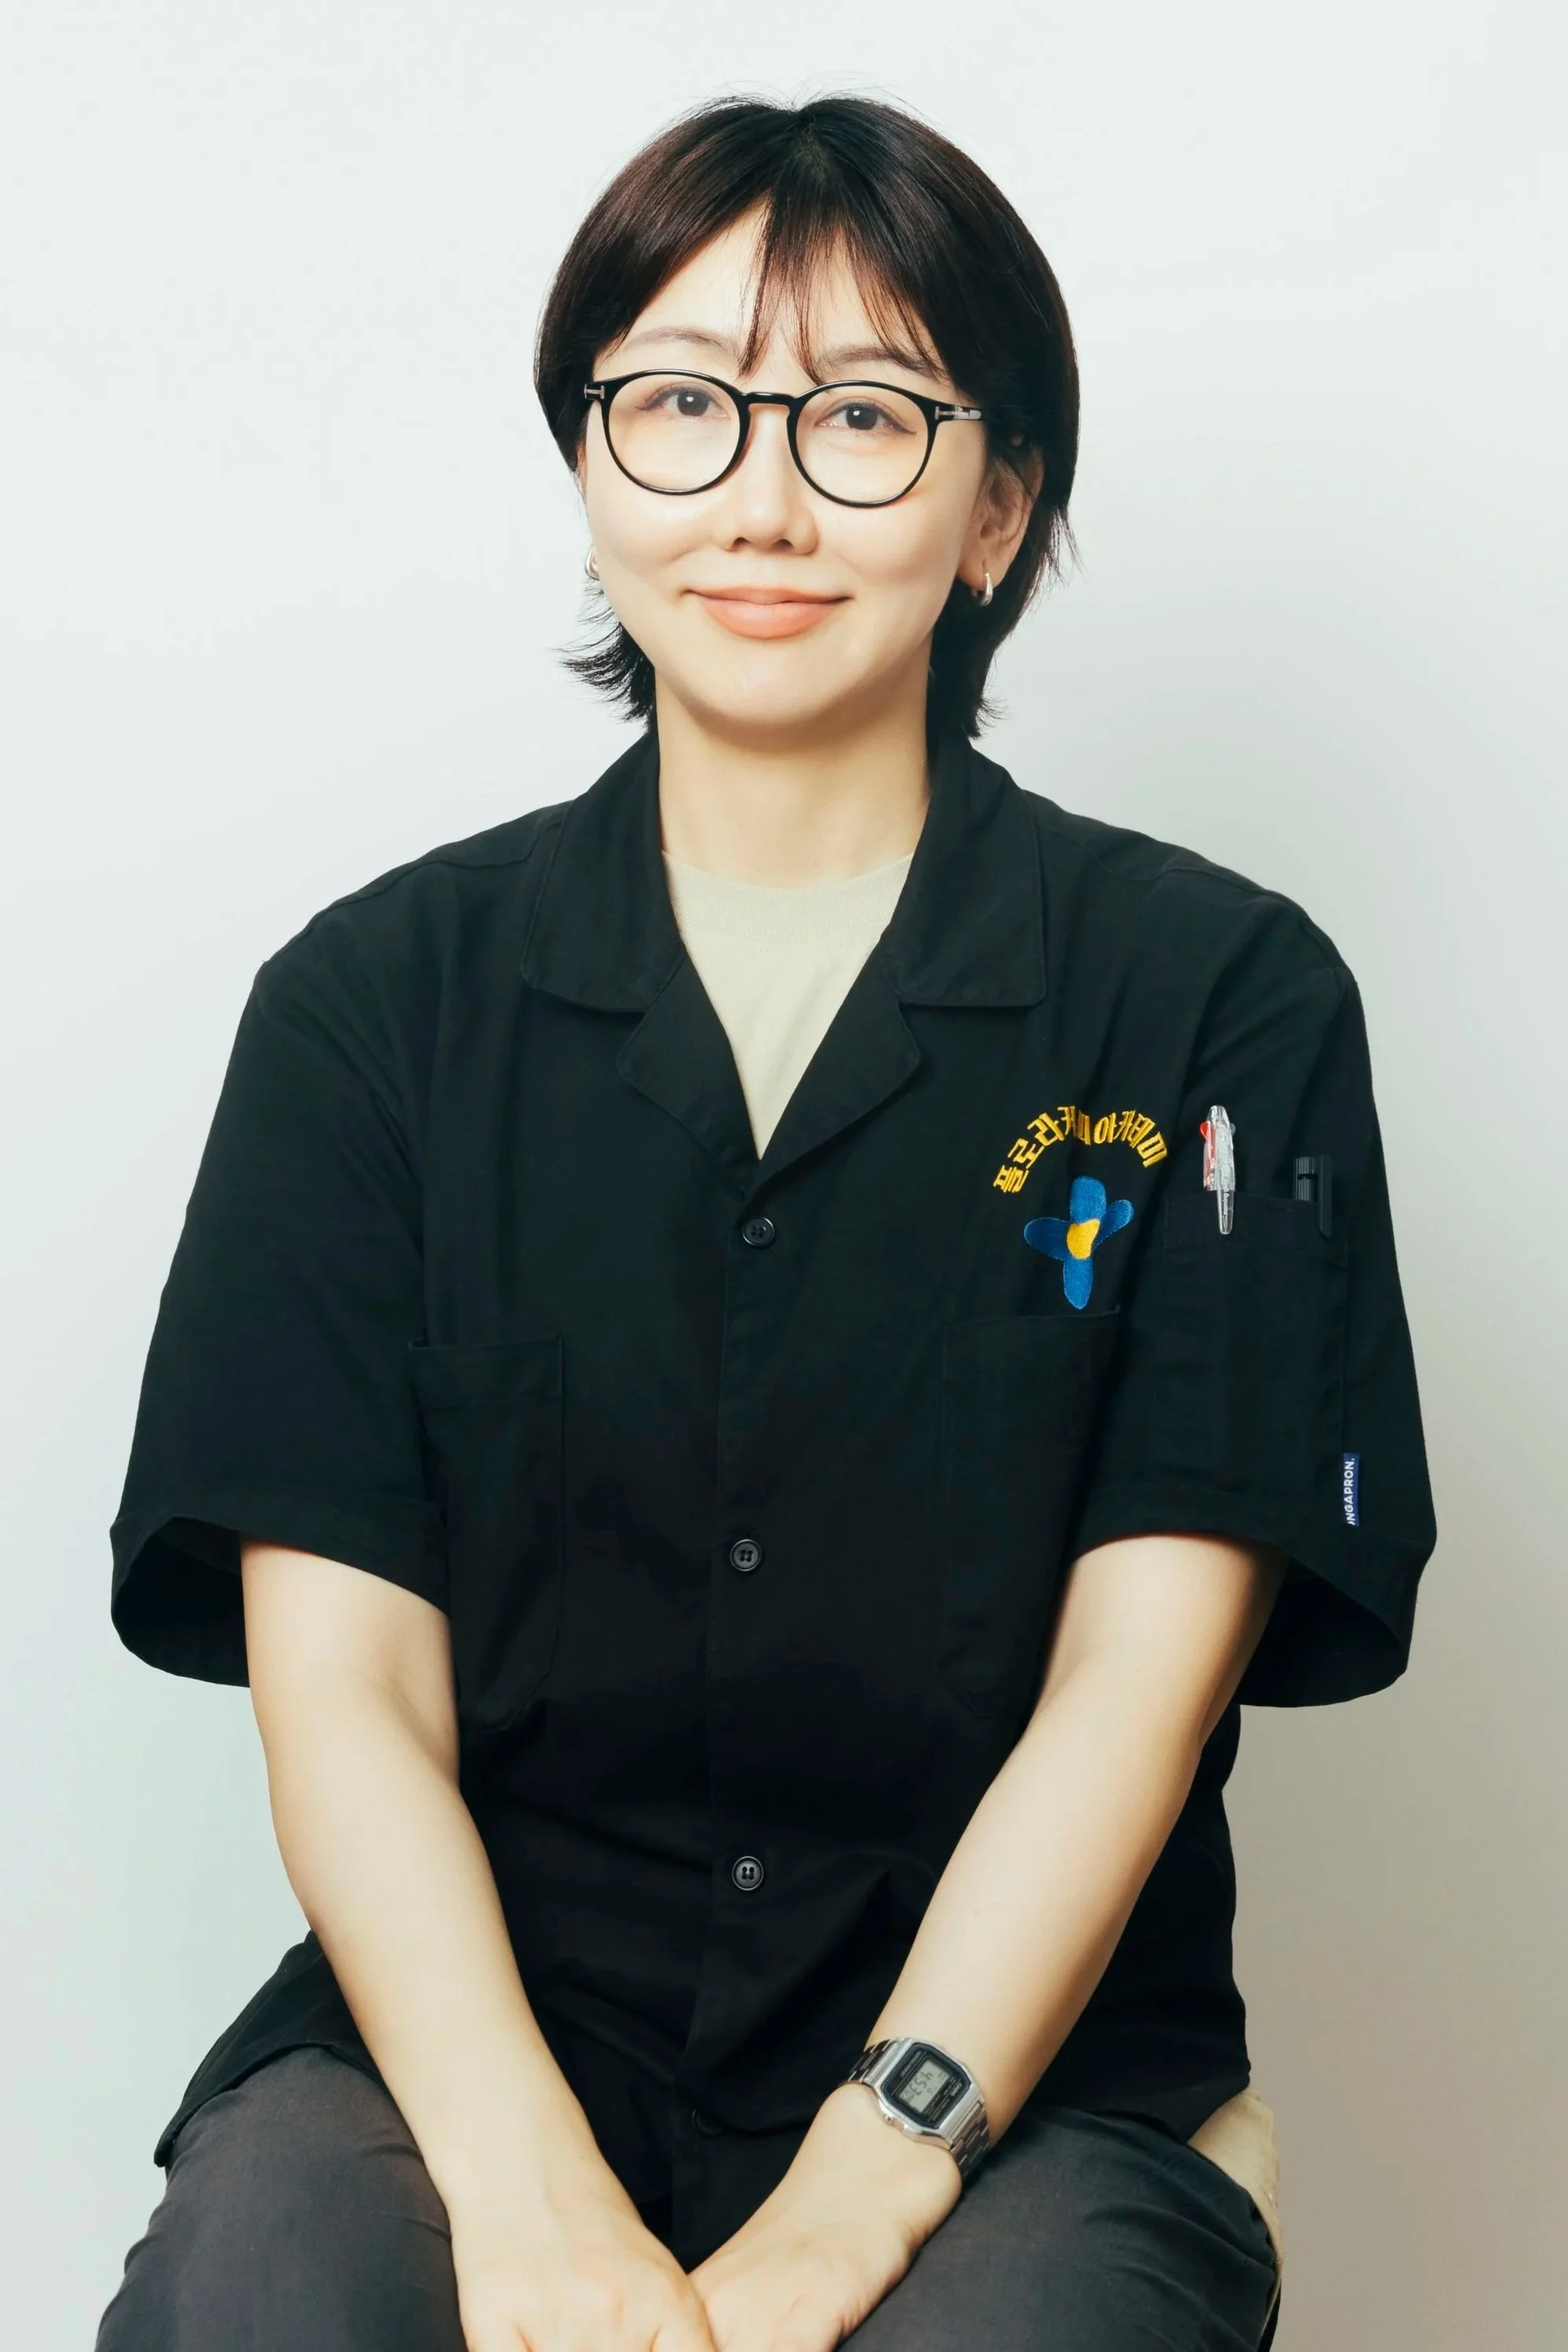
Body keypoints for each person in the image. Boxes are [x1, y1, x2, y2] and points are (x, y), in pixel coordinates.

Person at [95, 93, 1434, 2352]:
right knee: (266, 2289)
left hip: (1027, 2081)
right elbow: (345, 1691)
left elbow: (1141, 1675)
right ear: (592, 462)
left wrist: (859, 2182)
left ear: (1001, 502)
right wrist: (525, 2201)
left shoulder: (1215, 996)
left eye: (870, 416)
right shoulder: (369, 1010)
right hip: (478, 2051)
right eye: (683, 404)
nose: (764, 495)